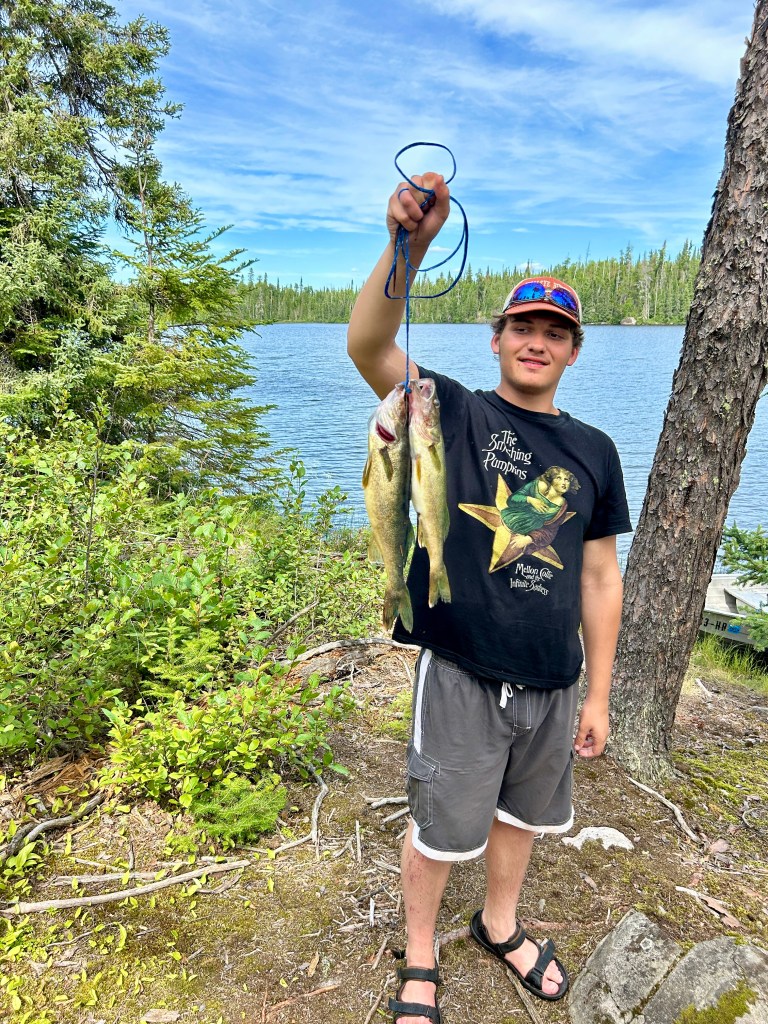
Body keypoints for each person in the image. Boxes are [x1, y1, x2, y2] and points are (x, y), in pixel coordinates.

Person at [347, 172, 631, 1024]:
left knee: (524, 817)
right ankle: (421, 954)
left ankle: (499, 925)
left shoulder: (596, 450)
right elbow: (368, 344)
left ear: (574, 351)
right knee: (440, 826)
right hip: (464, 671)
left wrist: (600, 693)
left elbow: (600, 577)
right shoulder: (450, 411)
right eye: (524, 327)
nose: (538, 342)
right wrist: (409, 247)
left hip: (553, 679)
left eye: (556, 333)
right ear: (498, 337)